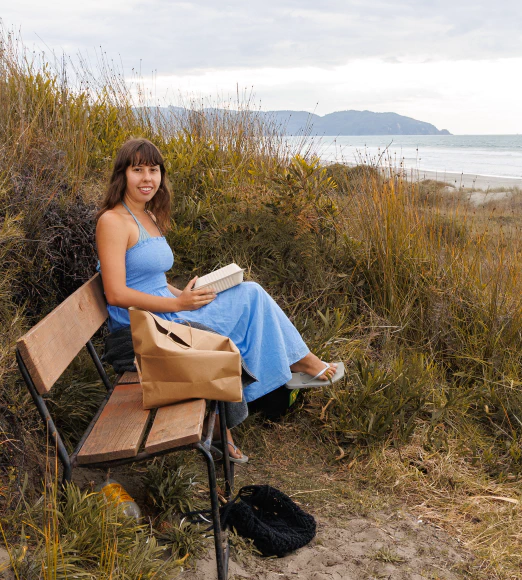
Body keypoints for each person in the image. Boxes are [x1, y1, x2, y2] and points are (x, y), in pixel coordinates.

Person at [96, 137, 344, 463]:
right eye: (137, 170)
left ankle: (290, 366)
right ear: (122, 175)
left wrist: (186, 294)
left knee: (247, 293)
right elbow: (115, 293)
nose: (147, 179)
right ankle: (294, 367)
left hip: (167, 314)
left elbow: (152, 281)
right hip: (142, 331)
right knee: (242, 309)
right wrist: (178, 305)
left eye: (153, 170)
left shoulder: (148, 217)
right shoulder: (112, 221)